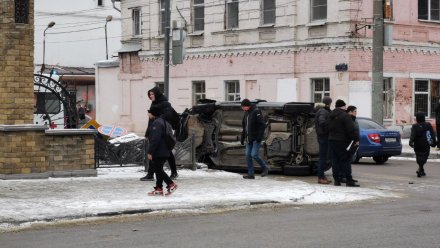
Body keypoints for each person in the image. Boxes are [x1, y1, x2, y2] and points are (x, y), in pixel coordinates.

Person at [140, 87, 179, 181]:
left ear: (157, 94)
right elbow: (151, 120)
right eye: (149, 95)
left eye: (152, 94)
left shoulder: (165, 103)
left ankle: (173, 172)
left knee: (166, 152)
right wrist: (147, 133)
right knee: (157, 151)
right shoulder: (154, 104)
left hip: (164, 130)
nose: (150, 96)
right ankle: (151, 174)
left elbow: (167, 116)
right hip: (156, 129)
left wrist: (154, 116)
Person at [146, 105, 178, 196]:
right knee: (158, 169)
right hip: (165, 150)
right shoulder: (165, 122)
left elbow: (155, 139)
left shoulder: (157, 123)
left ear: (153, 113)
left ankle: (171, 184)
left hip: (159, 151)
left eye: (149, 113)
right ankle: (159, 189)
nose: (148, 114)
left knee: (158, 170)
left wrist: (150, 152)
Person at [327, 99, 359, 187]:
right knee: (345, 161)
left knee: (335, 161)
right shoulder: (345, 116)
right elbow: (351, 130)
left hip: (332, 141)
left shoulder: (330, 115)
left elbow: (327, 127)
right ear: (343, 106)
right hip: (342, 141)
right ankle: (349, 181)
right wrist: (356, 139)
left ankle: (337, 180)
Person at [240, 99, 270, 179]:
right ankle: (251, 174)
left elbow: (262, 125)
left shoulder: (256, 111)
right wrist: (242, 137)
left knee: (254, 155)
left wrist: (259, 137)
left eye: (243, 107)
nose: (242, 108)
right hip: (248, 138)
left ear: (247, 106)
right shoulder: (246, 113)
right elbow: (244, 126)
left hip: (256, 138)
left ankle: (265, 168)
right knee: (247, 155)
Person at [409, 112, 437, 177]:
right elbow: (432, 134)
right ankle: (420, 169)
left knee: (418, 156)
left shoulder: (415, 126)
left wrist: (410, 142)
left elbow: (412, 135)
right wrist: (434, 142)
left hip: (417, 145)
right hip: (425, 144)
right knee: (424, 156)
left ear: (417, 118)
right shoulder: (428, 125)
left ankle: (421, 169)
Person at [314, 96, 333, 184]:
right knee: (323, 158)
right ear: (329, 103)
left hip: (323, 137)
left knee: (324, 157)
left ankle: (322, 176)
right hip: (323, 137)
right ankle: (320, 177)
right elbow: (322, 122)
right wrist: (329, 127)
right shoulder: (323, 111)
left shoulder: (323, 110)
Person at [345, 105, 360, 183]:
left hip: (354, 142)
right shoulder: (348, 119)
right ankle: (346, 177)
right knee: (347, 160)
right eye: (355, 111)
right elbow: (351, 131)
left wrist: (357, 140)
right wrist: (355, 140)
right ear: (350, 112)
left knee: (349, 160)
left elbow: (356, 131)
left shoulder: (354, 119)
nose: (356, 113)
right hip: (349, 143)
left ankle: (348, 177)